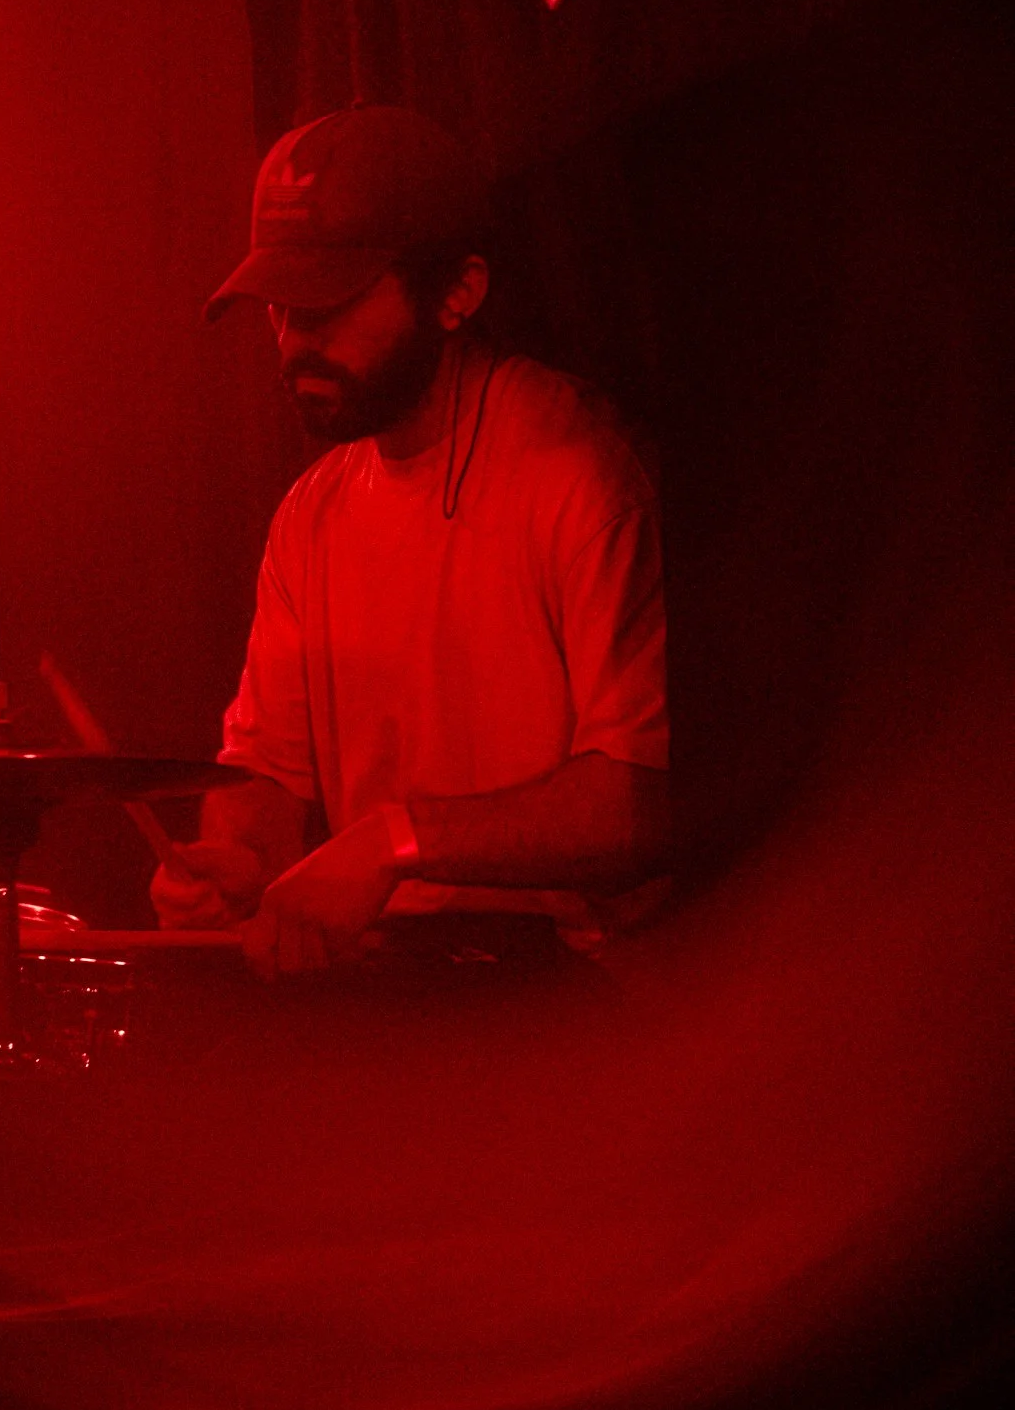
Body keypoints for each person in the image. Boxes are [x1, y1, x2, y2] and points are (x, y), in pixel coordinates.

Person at [152, 105, 669, 977]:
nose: (294, 343)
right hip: (399, 982)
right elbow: (267, 776)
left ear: (458, 292)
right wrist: (240, 862)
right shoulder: (308, 516)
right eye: (279, 307)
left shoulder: (579, 475)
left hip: (590, 995)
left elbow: (638, 800)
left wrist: (395, 840)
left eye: (329, 304)